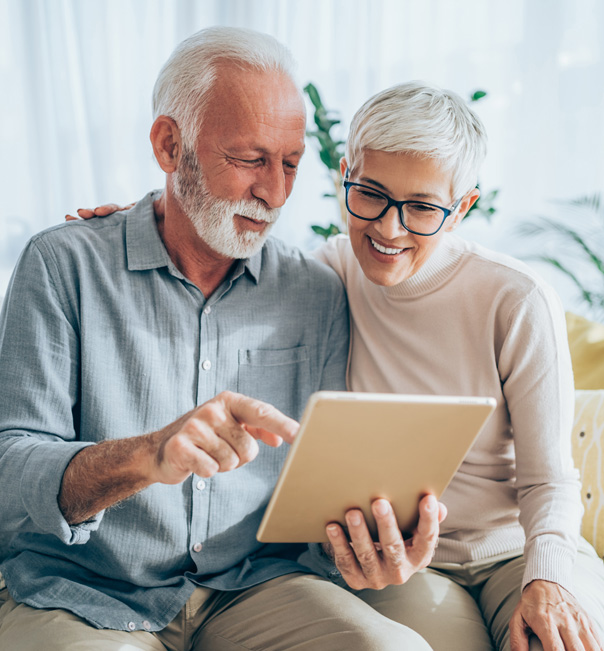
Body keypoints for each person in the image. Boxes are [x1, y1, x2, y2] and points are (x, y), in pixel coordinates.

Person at [78, 79, 604, 651]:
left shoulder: (516, 299)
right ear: (346, 174)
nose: (388, 228)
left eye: (423, 207)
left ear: (462, 208)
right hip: (397, 560)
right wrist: (143, 222)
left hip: (521, 547)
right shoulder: (325, 278)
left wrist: (547, 579)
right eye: (371, 193)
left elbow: (550, 479)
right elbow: (217, 248)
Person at [0, 27, 444, 651]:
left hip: (254, 588)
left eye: (290, 164)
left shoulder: (316, 291)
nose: (275, 193)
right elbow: (10, 465)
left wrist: (372, 546)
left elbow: (323, 486)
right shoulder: (62, 265)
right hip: (85, 593)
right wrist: (148, 455)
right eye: (249, 160)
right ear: (168, 144)